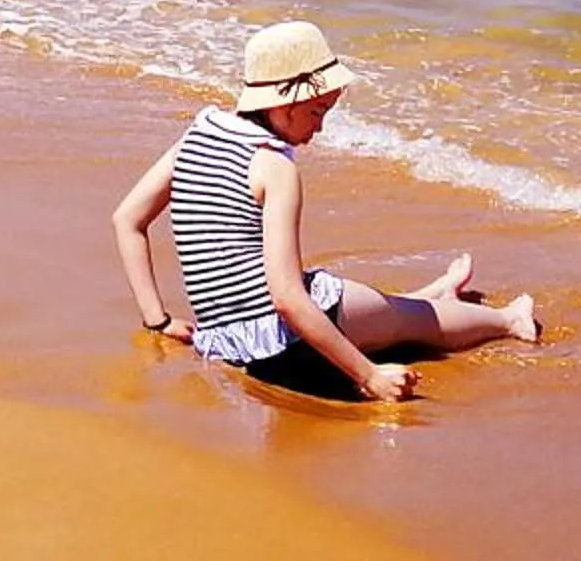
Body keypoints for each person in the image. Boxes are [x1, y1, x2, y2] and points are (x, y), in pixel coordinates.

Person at [111, 20, 539, 403]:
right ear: (284, 102)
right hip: (287, 342)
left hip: (229, 342)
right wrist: (369, 376)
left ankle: (436, 293)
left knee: (390, 311)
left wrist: (158, 319)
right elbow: (287, 299)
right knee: (420, 324)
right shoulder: (273, 167)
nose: (320, 126)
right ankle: (508, 319)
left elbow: (127, 220)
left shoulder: (195, 139)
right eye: (317, 112)